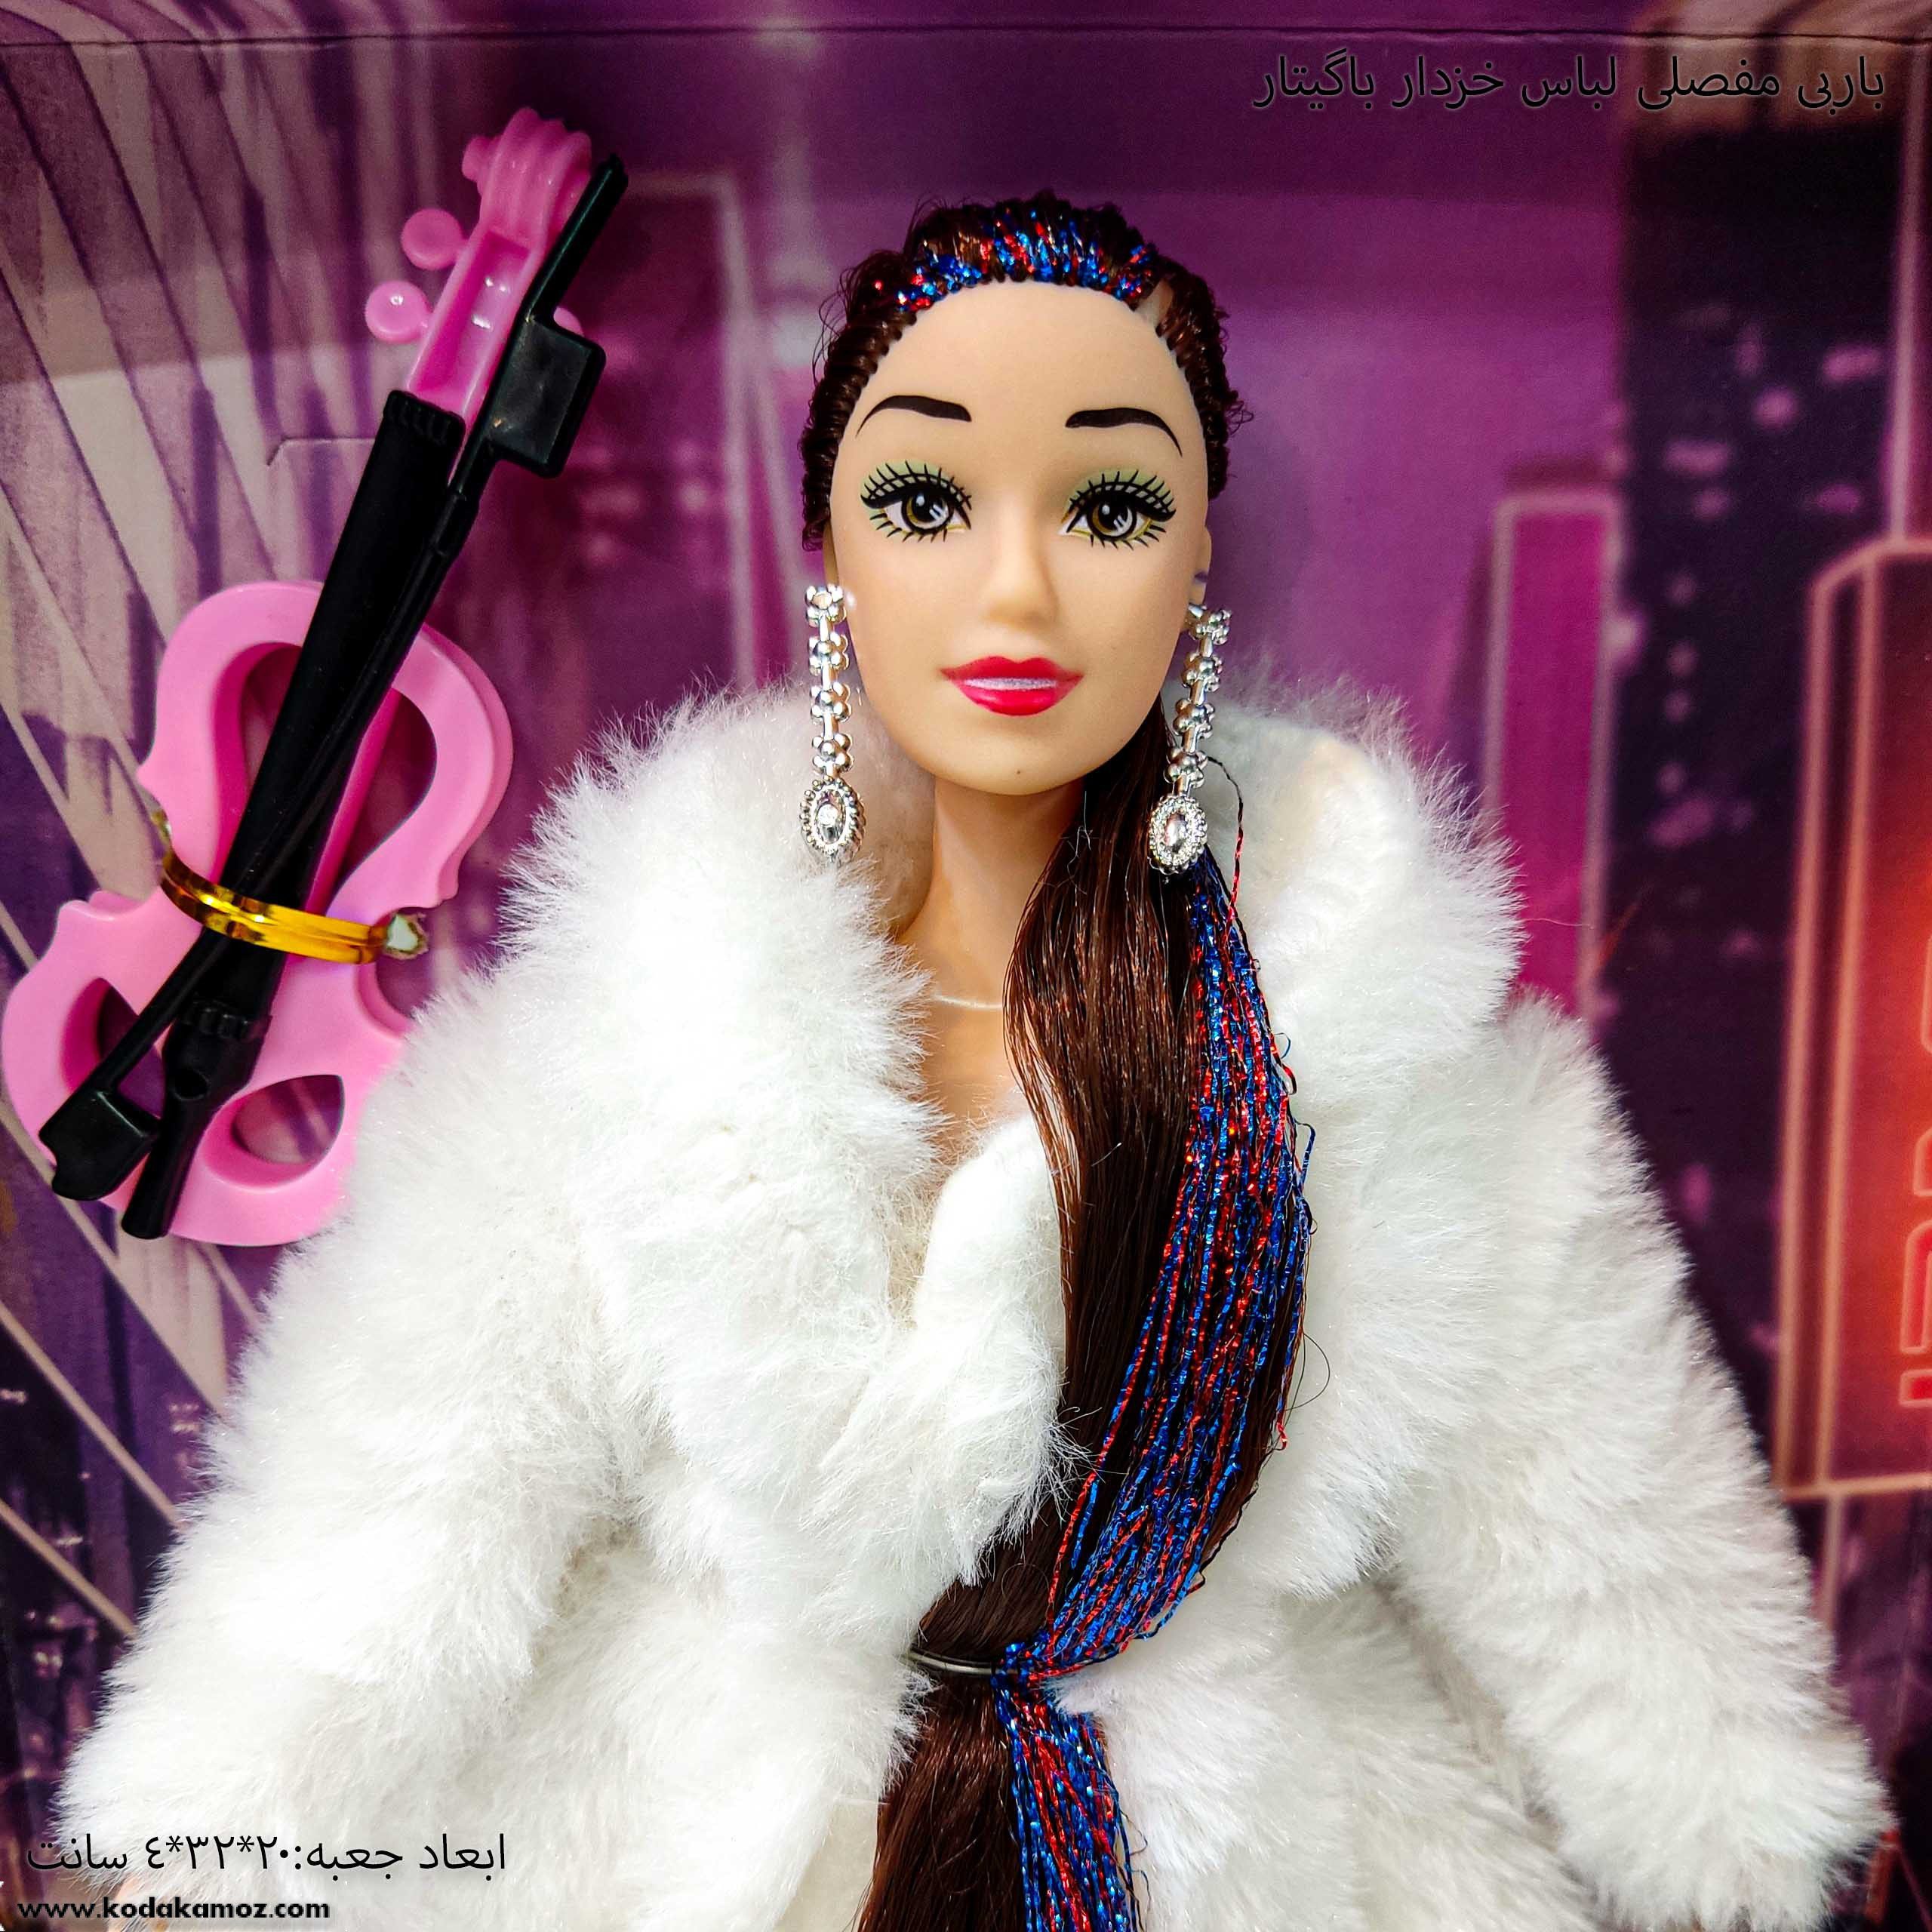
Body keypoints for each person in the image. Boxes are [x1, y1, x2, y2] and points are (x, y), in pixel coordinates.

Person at [57, 191, 1887, 1932]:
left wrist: (1733, 1838)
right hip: (707, 1837)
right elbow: (381, 1535)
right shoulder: (612, 1034)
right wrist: (189, 1855)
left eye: (1108, 504)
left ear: (1195, 563)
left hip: (1241, 1848)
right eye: (925, 496)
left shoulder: (1397, 1064)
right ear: (833, 554)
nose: (1015, 586)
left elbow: (1599, 1556)